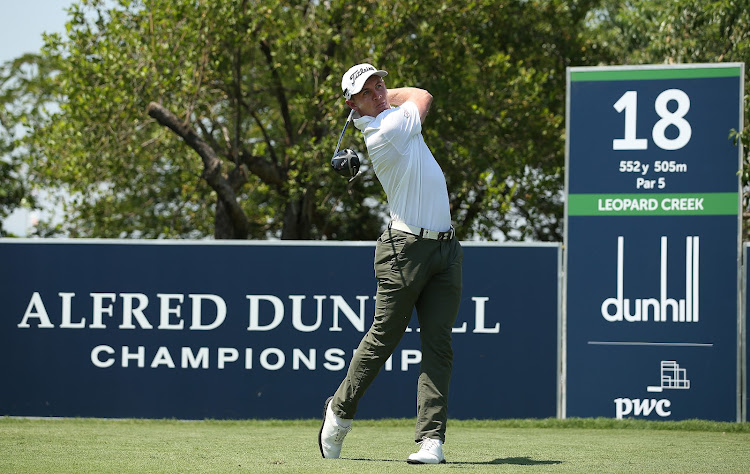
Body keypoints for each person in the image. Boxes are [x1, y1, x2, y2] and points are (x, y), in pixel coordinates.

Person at [318, 63, 463, 464]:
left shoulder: (389, 117)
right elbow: (424, 95)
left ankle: (431, 440)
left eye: (380, 83)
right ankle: (340, 411)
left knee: (438, 344)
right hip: (404, 251)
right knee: (383, 339)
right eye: (368, 91)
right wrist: (386, 99)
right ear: (353, 106)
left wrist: (378, 94)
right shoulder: (385, 132)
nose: (380, 91)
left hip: (446, 250)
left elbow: (409, 97)